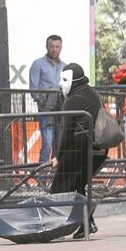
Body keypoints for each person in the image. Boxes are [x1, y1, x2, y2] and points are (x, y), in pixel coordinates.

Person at [50, 63, 106, 237]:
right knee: (77, 186)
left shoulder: (72, 100)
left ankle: (57, 229)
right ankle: (87, 225)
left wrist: (57, 157)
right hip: (98, 150)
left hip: (79, 149)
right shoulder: (93, 93)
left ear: (75, 80)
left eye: (65, 79)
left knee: (58, 188)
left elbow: (66, 133)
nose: (61, 83)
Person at [29, 35, 64, 164]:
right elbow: (33, 89)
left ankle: (56, 177)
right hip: (46, 111)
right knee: (47, 143)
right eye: (51, 46)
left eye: (57, 47)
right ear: (46, 47)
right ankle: (41, 177)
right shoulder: (38, 64)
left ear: (61, 48)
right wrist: (43, 102)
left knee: (59, 144)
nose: (54, 49)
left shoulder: (65, 66)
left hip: (61, 111)